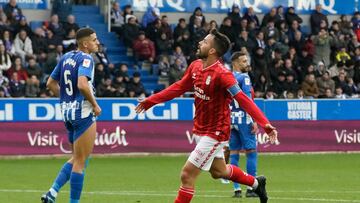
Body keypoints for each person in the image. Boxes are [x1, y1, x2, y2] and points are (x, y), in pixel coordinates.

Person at [135, 29, 278, 203]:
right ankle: (256, 184)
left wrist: (265, 123)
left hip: (216, 133)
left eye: (204, 42)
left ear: (212, 51)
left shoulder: (223, 75)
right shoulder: (195, 66)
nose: (199, 43)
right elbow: (179, 87)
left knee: (187, 175)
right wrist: (151, 100)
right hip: (200, 129)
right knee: (219, 172)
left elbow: (243, 99)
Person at [41, 27, 101, 203]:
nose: (97, 43)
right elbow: (82, 85)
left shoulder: (66, 57)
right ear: (85, 43)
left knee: (77, 158)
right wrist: (95, 105)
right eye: (94, 39)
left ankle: (53, 191)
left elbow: (50, 83)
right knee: (81, 162)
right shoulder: (86, 59)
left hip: (67, 114)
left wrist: (66, 100)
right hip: (83, 113)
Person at [228, 52, 259, 198]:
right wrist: (253, 119)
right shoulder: (244, 77)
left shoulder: (227, 77)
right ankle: (251, 188)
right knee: (251, 152)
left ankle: (236, 189)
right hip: (244, 119)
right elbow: (246, 99)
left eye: (247, 60)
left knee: (234, 153)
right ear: (235, 63)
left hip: (231, 119)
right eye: (243, 61)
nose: (247, 64)